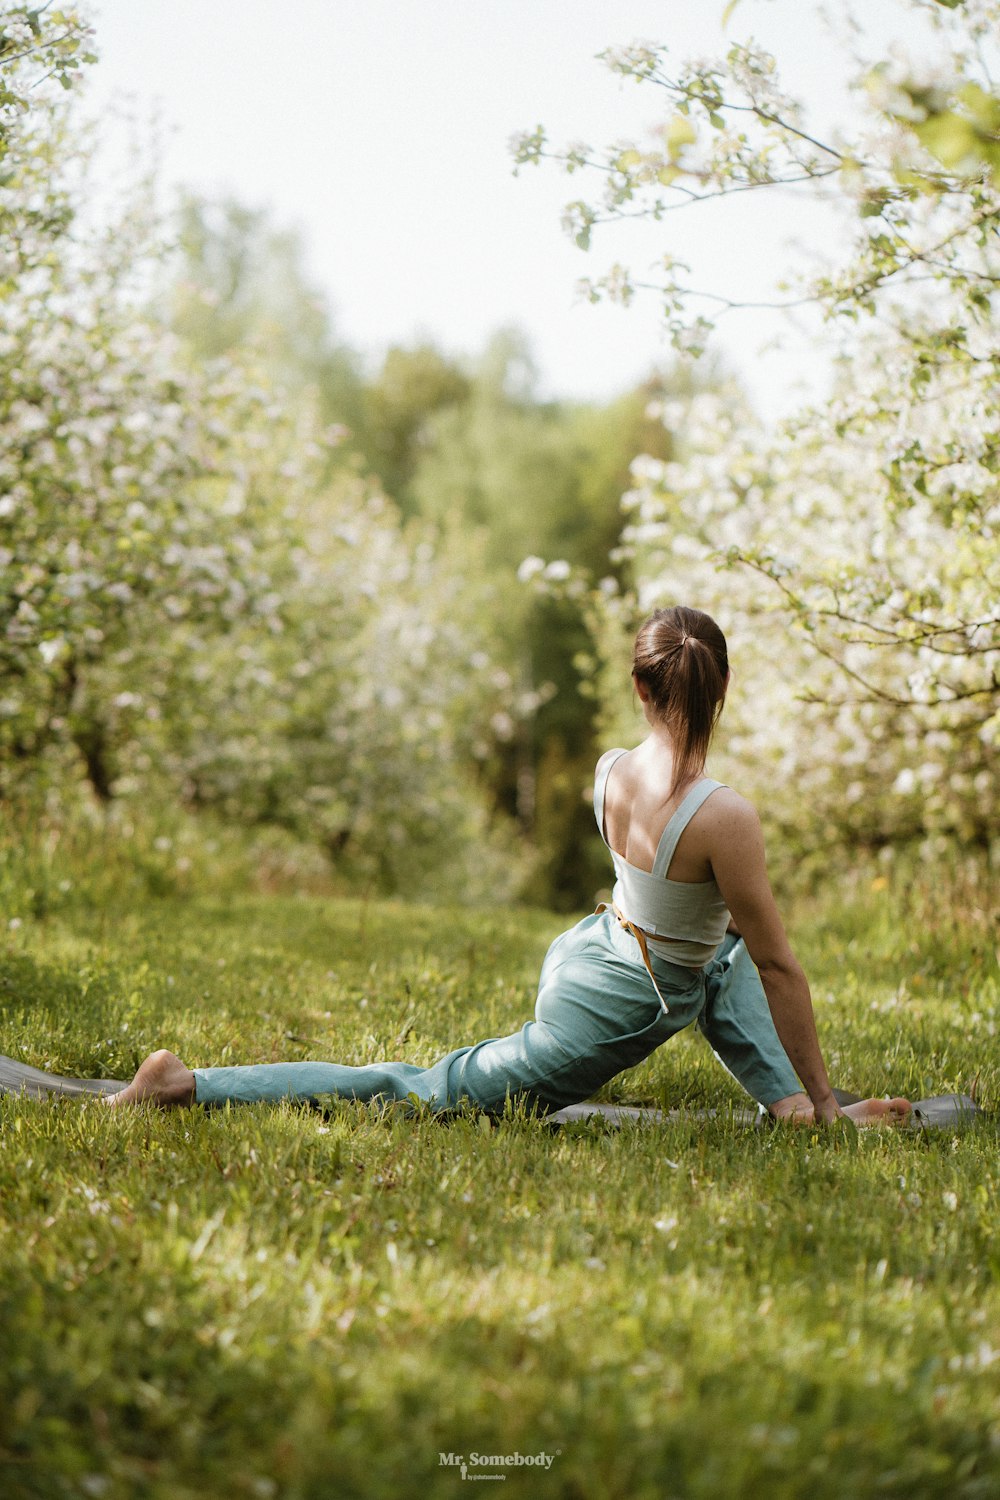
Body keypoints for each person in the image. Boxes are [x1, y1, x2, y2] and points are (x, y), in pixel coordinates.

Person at [108, 605, 910, 1127]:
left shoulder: (609, 771)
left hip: (591, 946)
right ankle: (190, 1082)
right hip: (621, 1003)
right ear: (725, 685)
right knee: (423, 1091)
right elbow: (780, 964)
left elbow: (728, 937)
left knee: (722, 949)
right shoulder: (724, 816)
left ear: (638, 685)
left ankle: (797, 1105)